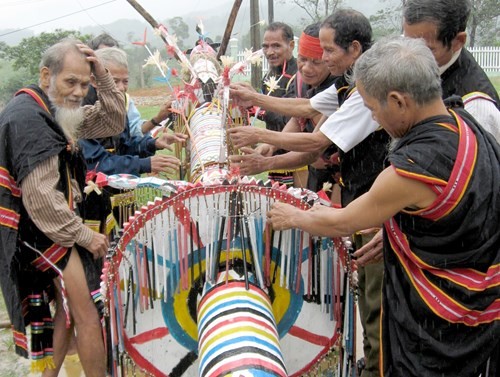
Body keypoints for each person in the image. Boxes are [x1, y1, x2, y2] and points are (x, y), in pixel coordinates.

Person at [267, 36, 500, 377]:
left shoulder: (412, 168)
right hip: (485, 302)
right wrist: (394, 233)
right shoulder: (464, 123)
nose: (374, 119)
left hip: (443, 319)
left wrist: (292, 216)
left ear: (398, 101)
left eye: (373, 109)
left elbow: (342, 222)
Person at [230, 10, 388, 376]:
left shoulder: (369, 85)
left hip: (374, 197)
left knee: (377, 296)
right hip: (359, 194)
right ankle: (373, 361)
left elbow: (317, 141)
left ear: (354, 48)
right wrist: (254, 97)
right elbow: (305, 107)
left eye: (327, 51)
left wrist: (261, 137)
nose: (321, 58)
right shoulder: (349, 79)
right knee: (367, 288)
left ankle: (378, 365)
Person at [0, 39, 126, 376]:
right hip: (37, 230)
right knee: (86, 312)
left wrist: (102, 76)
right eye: (71, 81)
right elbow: (42, 199)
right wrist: (85, 236)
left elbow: (113, 122)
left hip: (43, 227)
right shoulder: (30, 119)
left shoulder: (52, 110)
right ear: (46, 75)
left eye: (85, 85)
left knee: (68, 315)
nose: (78, 92)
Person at [354, 0, 500, 271]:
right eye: (407, 41)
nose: (411, 54)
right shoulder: (408, 77)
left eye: (425, 48)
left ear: (457, 41)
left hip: (458, 270)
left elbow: (479, 204)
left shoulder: (477, 104)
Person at [78, 47, 185, 230]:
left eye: (125, 81)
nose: (120, 88)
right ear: (95, 80)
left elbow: (124, 145)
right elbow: (97, 163)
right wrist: (145, 164)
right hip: (92, 201)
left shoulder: (118, 103)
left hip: (122, 193)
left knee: (129, 240)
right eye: (114, 81)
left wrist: (152, 143)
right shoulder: (80, 108)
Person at [234, 22, 338, 192]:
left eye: (316, 62)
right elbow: (299, 118)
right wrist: (272, 146)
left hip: (339, 174)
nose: (306, 68)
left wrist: (261, 135)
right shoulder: (300, 80)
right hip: (311, 167)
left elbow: (314, 142)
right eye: (303, 59)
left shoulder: (338, 87)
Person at [259, 21, 299, 186]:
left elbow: (289, 118)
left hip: (296, 156)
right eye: (265, 47)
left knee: (297, 202)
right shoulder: (269, 76)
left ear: (291, 45)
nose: (270, 52)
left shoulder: (299, 76)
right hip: (274, 152)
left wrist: (257, 107)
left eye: (276, 46)